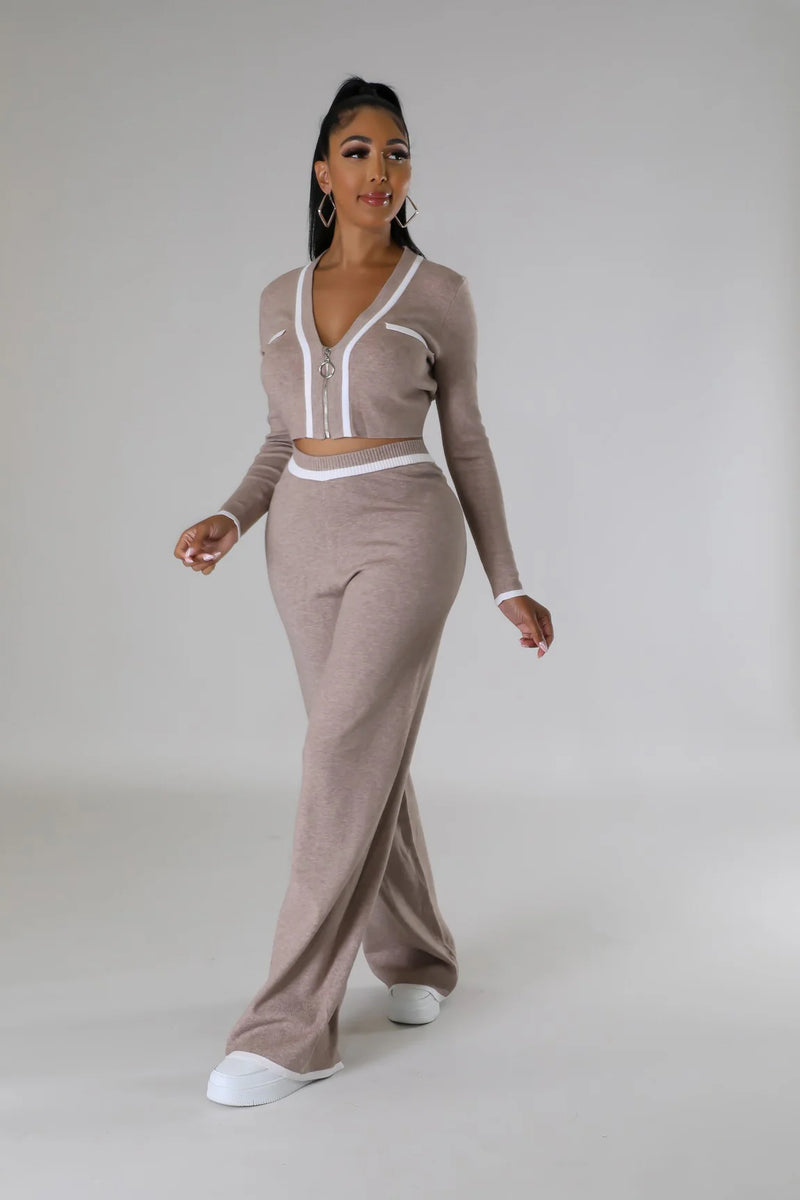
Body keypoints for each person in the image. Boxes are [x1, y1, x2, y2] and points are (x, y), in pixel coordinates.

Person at [173, 76, 554, 1108]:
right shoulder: (276, 298)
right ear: (321, 171)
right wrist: (231, 517)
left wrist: (506, 582)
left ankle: (289, 1030)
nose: (378, 170)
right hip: (297, 541)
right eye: (356, 151)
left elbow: (466, 440)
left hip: (405, 530)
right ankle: (418, 954)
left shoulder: (440, 295)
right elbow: (281, 438)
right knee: (363, 757)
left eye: (395, 152)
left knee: (337, 756)